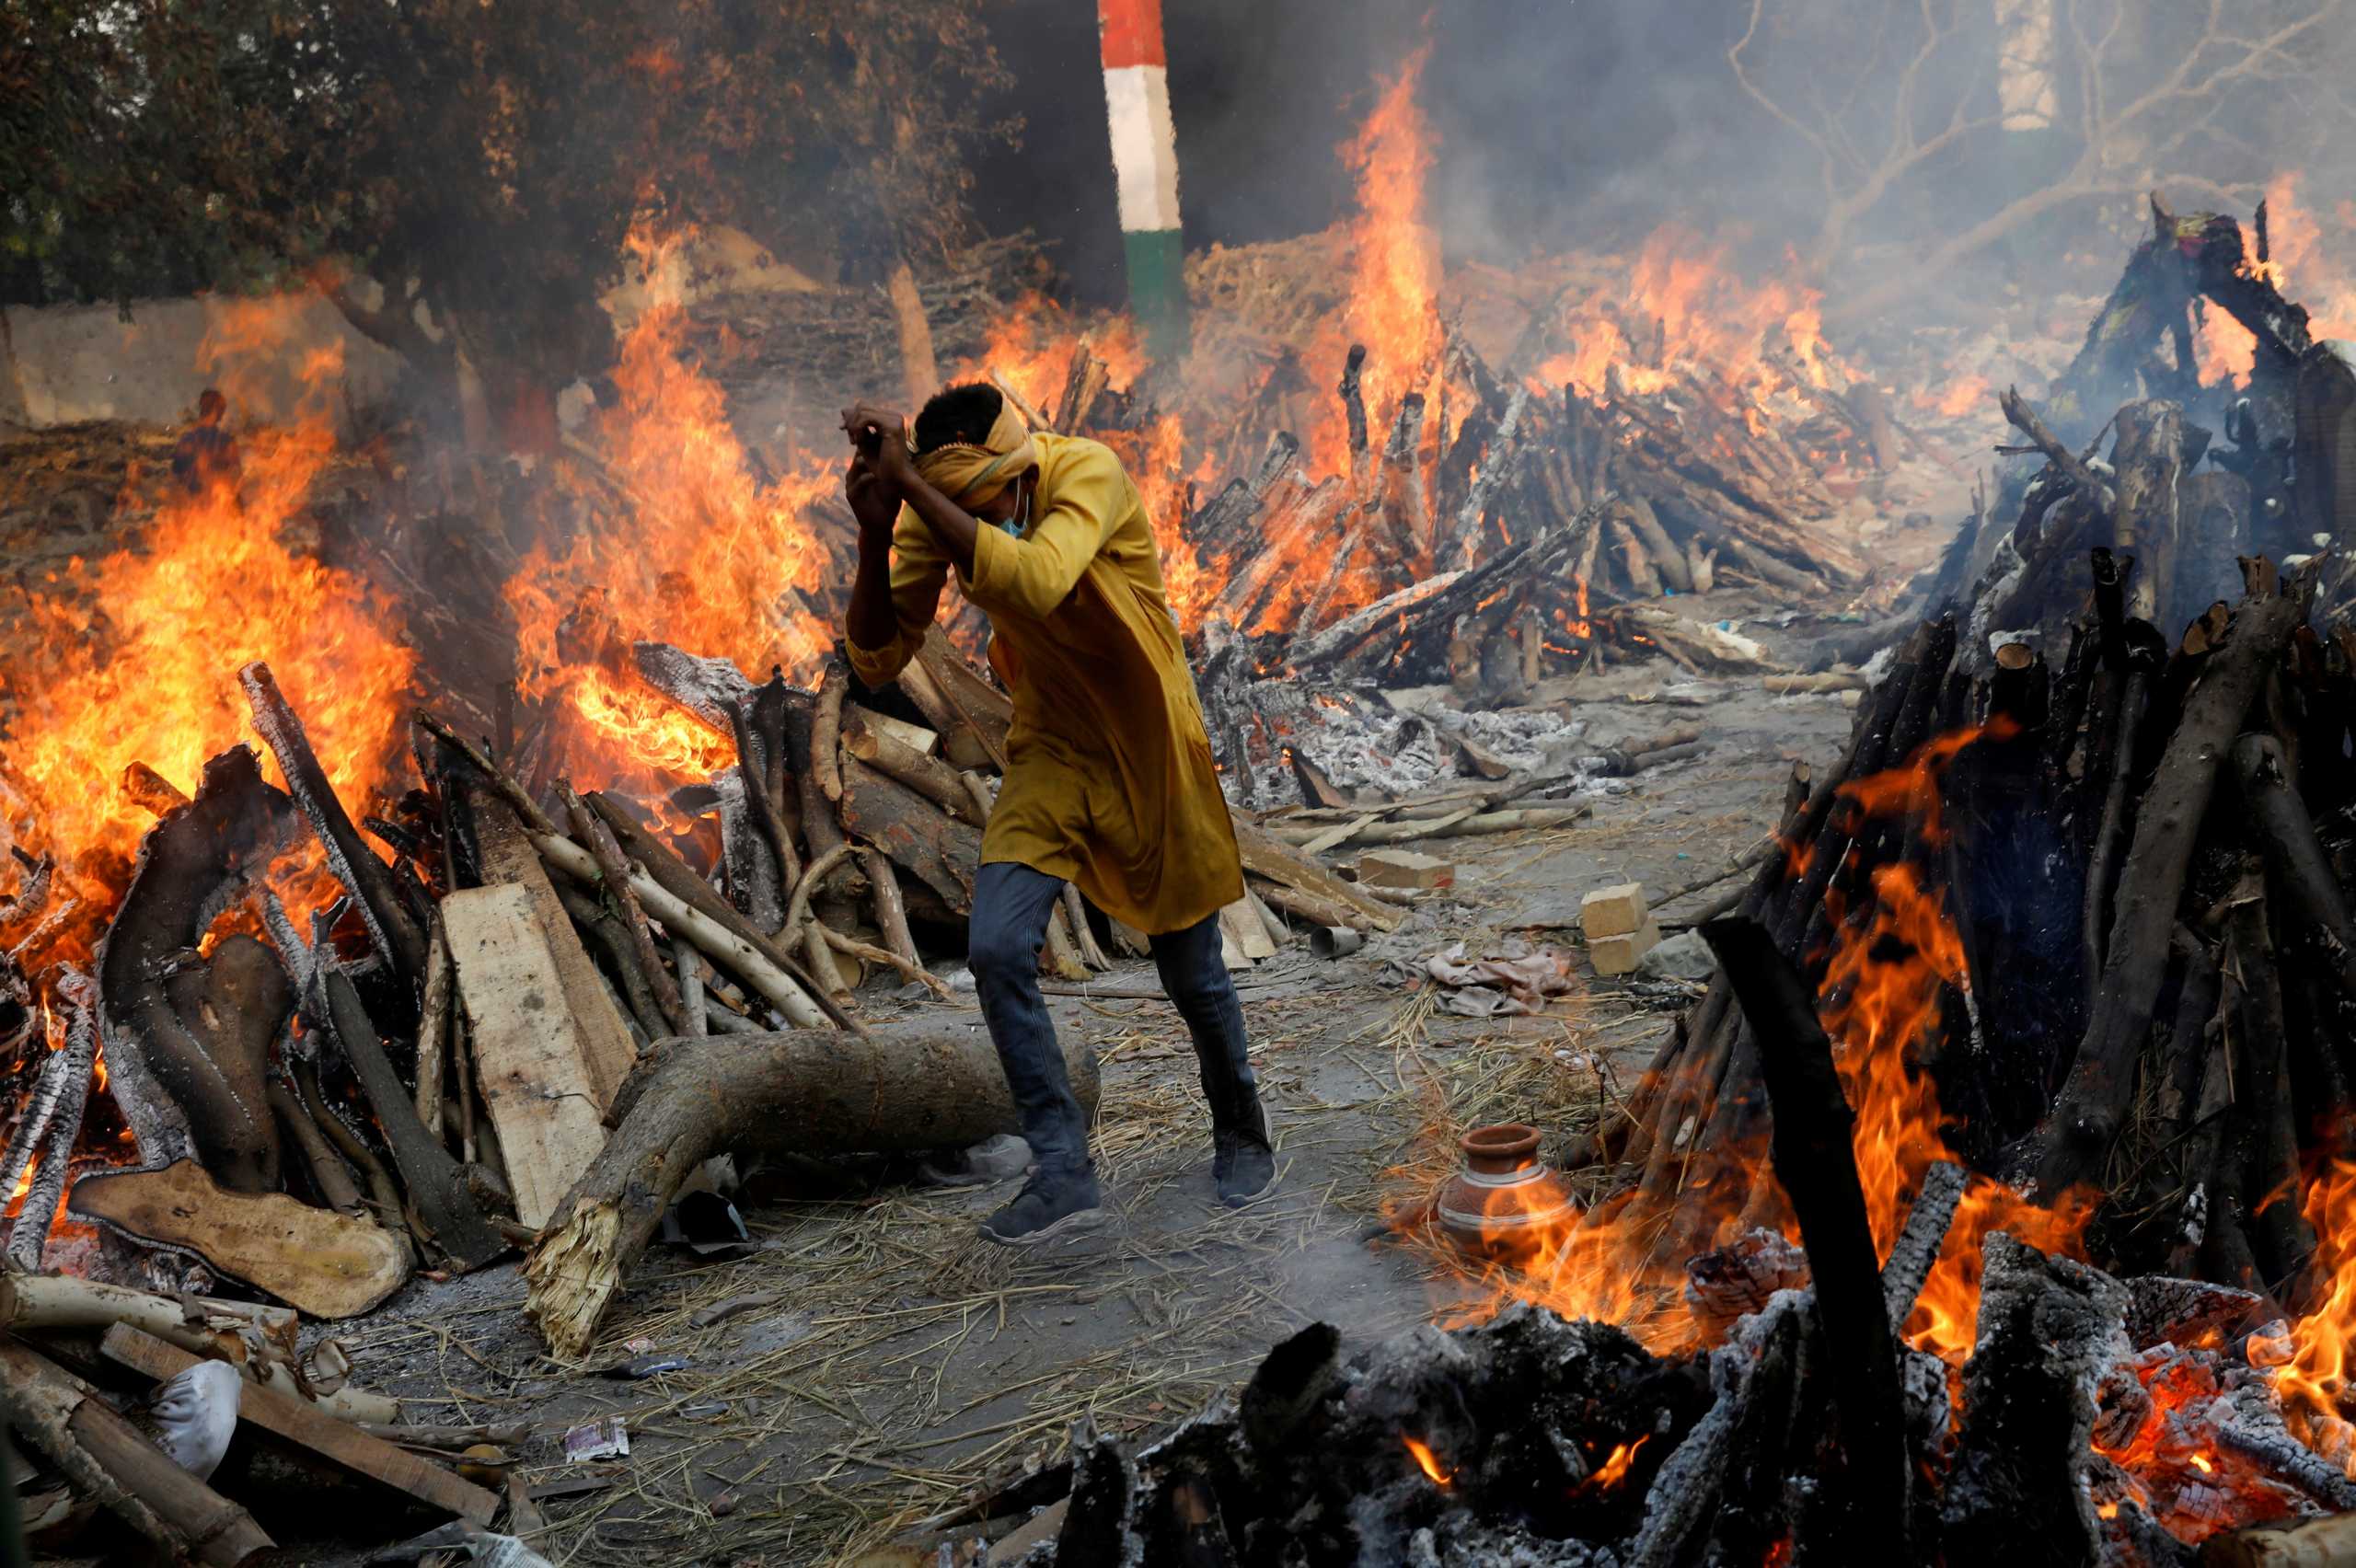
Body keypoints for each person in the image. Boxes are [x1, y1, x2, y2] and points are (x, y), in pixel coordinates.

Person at [841, 384, 1276, 1244]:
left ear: (1016, 467)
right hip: (1053, 747)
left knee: (1190, 969)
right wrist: (875, 526)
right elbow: (881, 651)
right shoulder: (941, 508)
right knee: (998, 947)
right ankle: (1063, 1170)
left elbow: (1038, 580)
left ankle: (1241, 1128)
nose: (978, 519)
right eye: (955, 503)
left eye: (986, 500)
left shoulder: (1087, 471)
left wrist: (919, 490)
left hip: (1149, 738)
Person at [170, 388, 237, 495]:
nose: (223, 415)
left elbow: (175, 479)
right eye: (222, 410)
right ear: (217, 411)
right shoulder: (227, 441)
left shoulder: (185, 440)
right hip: (219, 505)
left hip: (191, 507)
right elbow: (236, 479)